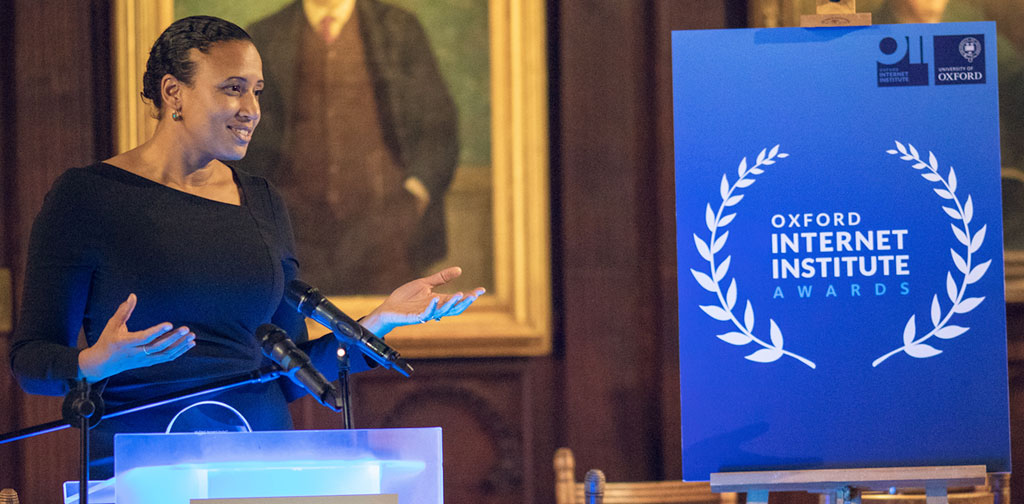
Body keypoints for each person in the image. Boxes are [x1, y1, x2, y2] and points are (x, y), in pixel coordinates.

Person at [8, 15, 483, 479]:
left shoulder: (262, 200)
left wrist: (377, 324)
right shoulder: (87, 196)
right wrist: (93, 363)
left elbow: (288, 371)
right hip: (143, 472)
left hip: (260, 465)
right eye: (232, 88)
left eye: (256, 91)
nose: (251, 109)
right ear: (174, 92)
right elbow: (31, 362)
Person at [236, 0, 460, 295]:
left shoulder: (399, 29)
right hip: (295, 235)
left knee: (387, 332)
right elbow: (246, 135)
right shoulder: (266, 34)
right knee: (303, 335)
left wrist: (414, 197)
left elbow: (438, 124)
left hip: (388, 236)